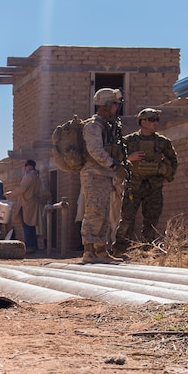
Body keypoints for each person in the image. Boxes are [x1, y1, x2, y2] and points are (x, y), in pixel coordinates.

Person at [80, 88, 140, 264]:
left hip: (105, 174)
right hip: (93, 174)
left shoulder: (109, 125)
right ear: (106, 104)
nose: (117, 106)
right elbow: (95, 151)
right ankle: (89, 251)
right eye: (114, 103)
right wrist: (114, 164)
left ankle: (101, 250)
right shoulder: (93, 125)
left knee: (104, 213)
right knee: (94, 212)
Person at [114, 108, 178, 256]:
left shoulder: (163, 142)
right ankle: (119, 250)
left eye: (157, 120)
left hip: (154, 187)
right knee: (127, 220)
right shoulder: (129, 141)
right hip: (133, 186)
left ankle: (146, 251)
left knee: (151, 221)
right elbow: (114, 158)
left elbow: (173, 161)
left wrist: (167, 175)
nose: (155, 123)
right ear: (142, 122)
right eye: (151, 120)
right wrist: (129, 158)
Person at [7, 160, 42, 254]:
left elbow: (22, 189)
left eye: (26, 166)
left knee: (27, 225)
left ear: (29, 166)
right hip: (33, 204)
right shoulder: (37, 177)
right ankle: (33, 245)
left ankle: (30, 246)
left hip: (26, 204)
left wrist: (11, 193)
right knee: (31, 225)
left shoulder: (28, 176)